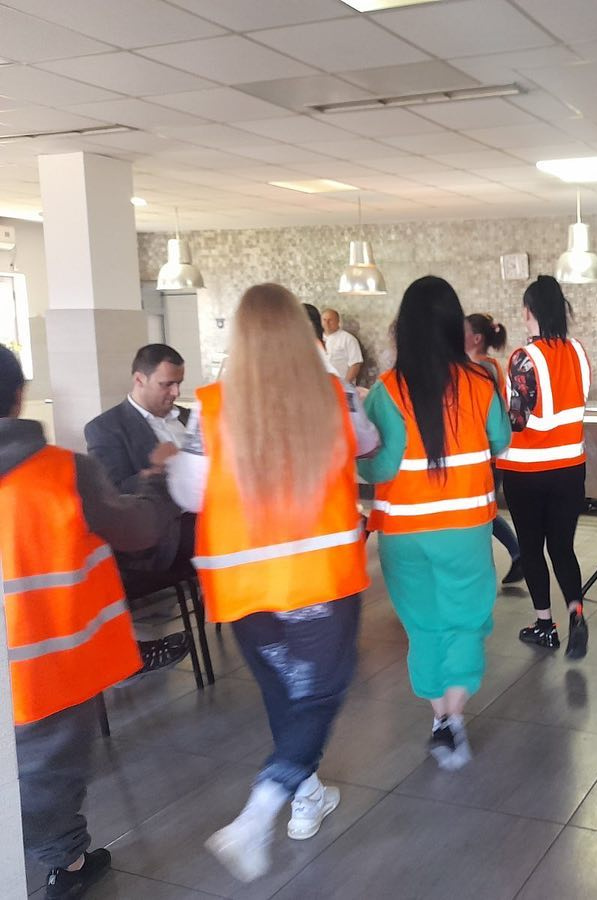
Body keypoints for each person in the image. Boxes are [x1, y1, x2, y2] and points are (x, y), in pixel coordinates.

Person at [166, 284, 375, 882]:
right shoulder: (335, 395)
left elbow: (189, 493)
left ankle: (306, 796)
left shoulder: (210, 407)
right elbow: (367, 444)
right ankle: (259, 812)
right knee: (319, 695)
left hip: (245, 588)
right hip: (320, 582)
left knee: (285, 694)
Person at [1, 345, 174, 899]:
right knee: (49, 768)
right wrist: (155, 479)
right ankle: (66, 863)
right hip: (48, 658)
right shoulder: (63, 471)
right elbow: (138, 530)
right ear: (19, 396)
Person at [359, 276, 511, 771]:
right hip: (465, 531)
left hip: (404, 535)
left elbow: (378, 467)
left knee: (423, 626)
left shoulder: (386, 390)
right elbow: (501, 441)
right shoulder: (480, 383)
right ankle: (454, 718)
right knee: (465, 622)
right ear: (453, 326)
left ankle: (438, 718)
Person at [84, 343, 195, 675]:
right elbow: (115, 491)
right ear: (139, 380)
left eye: (179, 384)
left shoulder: (189, 418)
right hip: (165, 533)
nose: (175, 393)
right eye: (167, 384)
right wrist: (157, 470)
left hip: (210, 517)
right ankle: (118, 654)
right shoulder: (107, 427)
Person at [496, 275, 591, 658]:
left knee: (533, 549)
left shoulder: (524, 358)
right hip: (570, 469)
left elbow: (517, 420)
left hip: (527, 473)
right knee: (563, 547)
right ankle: (577, 612)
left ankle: (545, 626)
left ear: (528, 312)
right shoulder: (578, 352)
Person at [465, 312, 523, 585]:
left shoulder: (481, 369)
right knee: (484, 512)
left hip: (484, 455)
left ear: (476, 338)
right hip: (486, 454)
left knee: (482, 513)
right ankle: (518, 554)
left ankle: (516, 555)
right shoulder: (484, 365)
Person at [321, 308, 363, 383]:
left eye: (330, 320)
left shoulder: (348, 339)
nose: (327, 323)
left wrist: (345, 385)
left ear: (338, 321)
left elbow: (355, 364)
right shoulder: (316, 338)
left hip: (341, 385)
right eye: (324, 320)